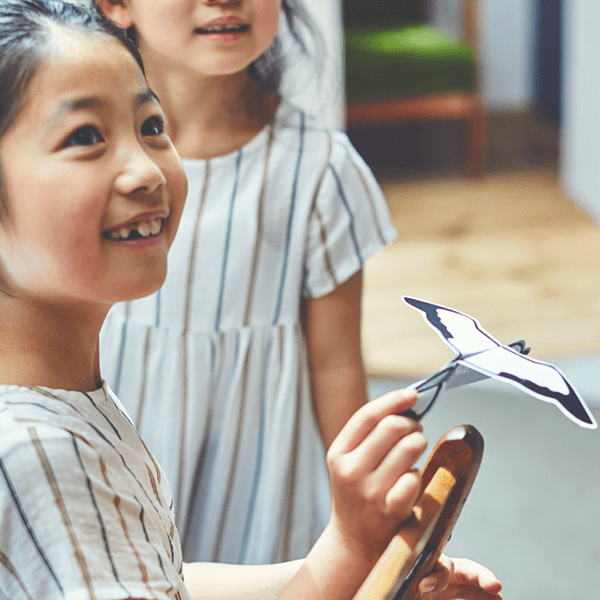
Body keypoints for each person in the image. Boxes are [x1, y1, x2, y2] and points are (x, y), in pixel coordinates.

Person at [0, 2, 505, 599]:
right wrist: (351, 557)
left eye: (151, 127)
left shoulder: (73, 408)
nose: (145, 172)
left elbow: (161, 578)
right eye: (85, 136)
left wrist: (356, 550)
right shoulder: (43, 458)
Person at [94, 0, 398, 565]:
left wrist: (365, 517)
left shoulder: (320, 168)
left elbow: (336, 363)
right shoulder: (82, 159)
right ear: (116, 4)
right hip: (113, 451)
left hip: (257, 473)